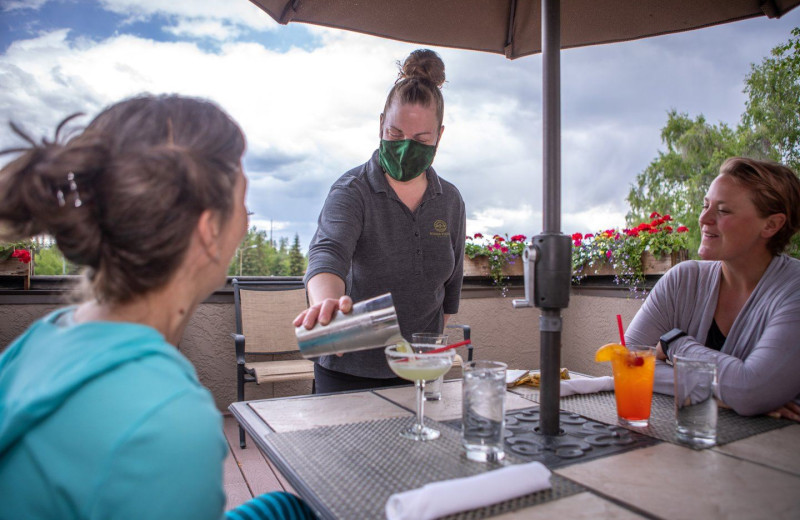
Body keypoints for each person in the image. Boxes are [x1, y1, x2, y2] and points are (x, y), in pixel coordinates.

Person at [0, 95, 314, 519]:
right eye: (243, 201)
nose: (247, 217)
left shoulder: (45, 337)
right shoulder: (167, 421)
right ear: (208, 231)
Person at [294, 49, 466, 394]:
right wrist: (326, 303)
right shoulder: (352, 190)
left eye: (421, 140)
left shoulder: (449, 200)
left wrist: (422, 348)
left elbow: (451, 287)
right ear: (380, 125)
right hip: (349, 371)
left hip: (420, 372)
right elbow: (328, 252)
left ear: (440, 136)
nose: (405, 149)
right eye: (395, 135)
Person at [626, 157, 800, 421]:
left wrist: (674, 343)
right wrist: (727, 393)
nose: (704, 218)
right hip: (687, 447)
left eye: (723, 211)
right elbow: (628, 363)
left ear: (771, 225)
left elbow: (750, 391)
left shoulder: (794, 290)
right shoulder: (682, 279)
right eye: (706, 206)